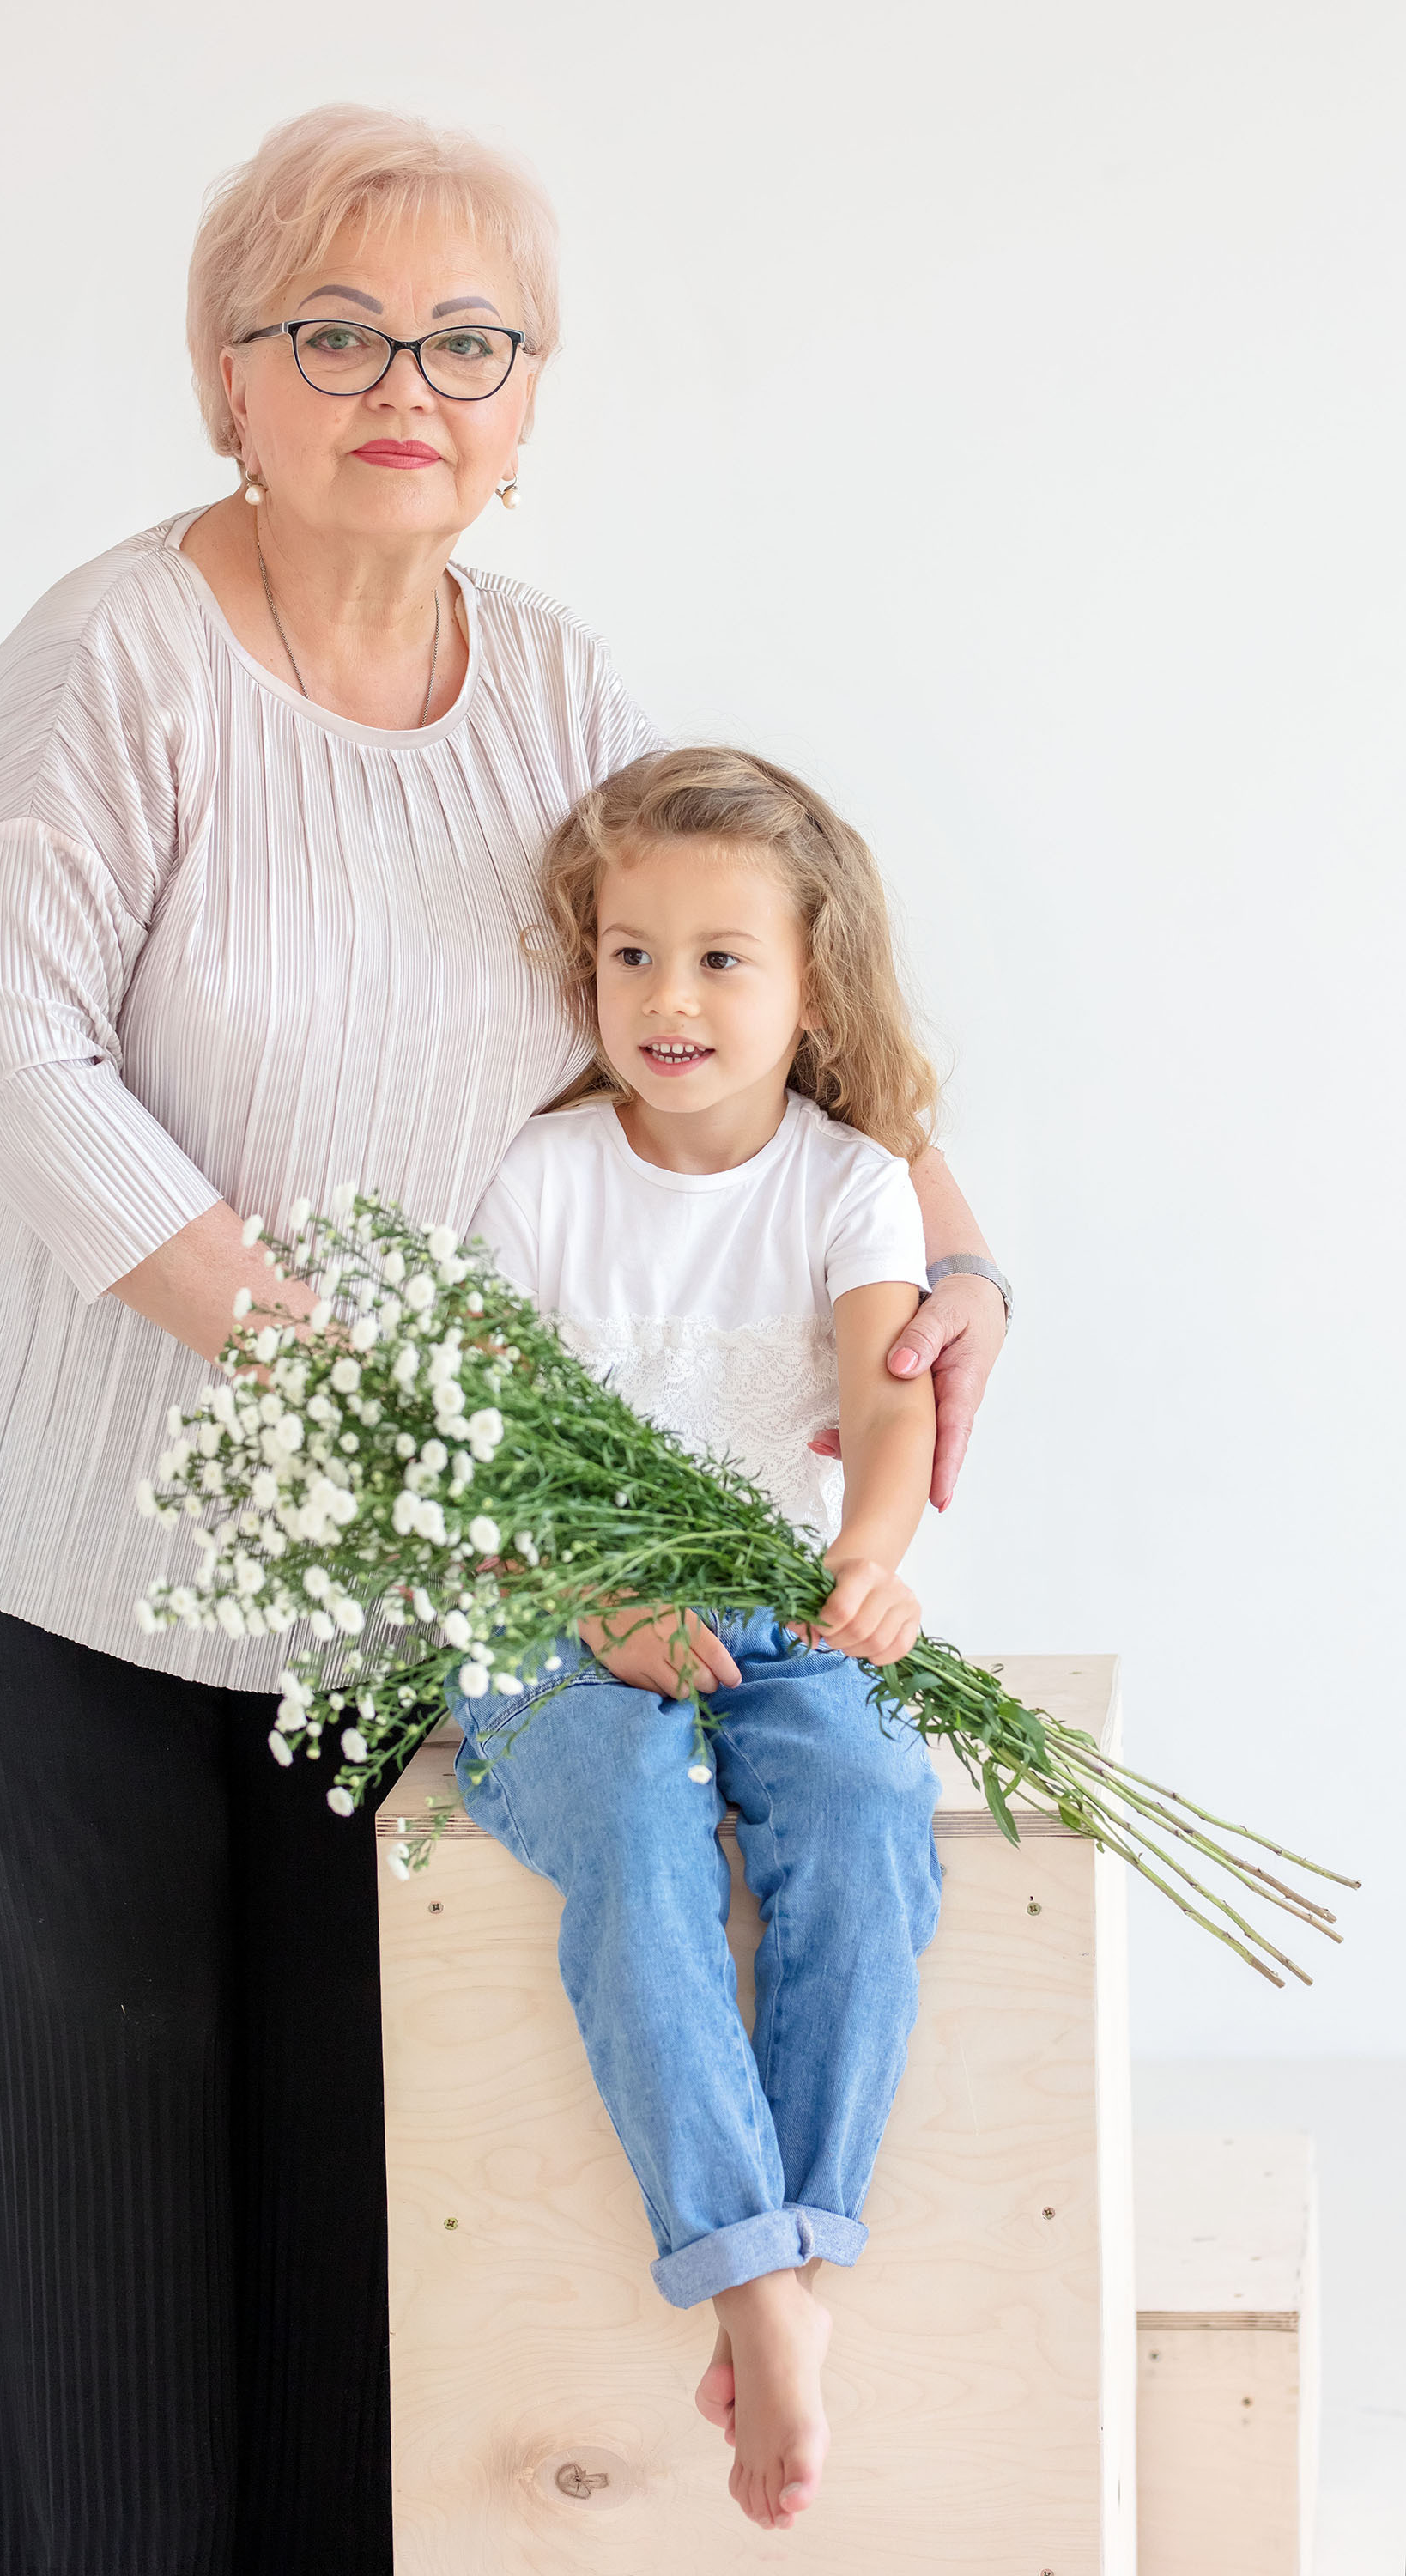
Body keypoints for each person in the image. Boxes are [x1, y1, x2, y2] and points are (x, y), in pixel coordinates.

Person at [0, 104, 1008, 2576]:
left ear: (531, 397)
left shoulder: (554, 683)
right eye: (335, 330)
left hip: (390, 1566)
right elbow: (11, 1061)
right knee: (97, 2177)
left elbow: (748, 996)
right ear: (222, 378)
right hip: (52, 1517)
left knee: (362, 2186)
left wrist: (952, 1253)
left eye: (469, 340)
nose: (408, 380)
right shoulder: (112, 663)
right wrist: (308, 1358)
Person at [458, 744, 947, 2534]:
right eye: (631, 955)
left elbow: (888, 1412)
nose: (669, 997)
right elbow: (501, 1458)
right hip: (549, 1619)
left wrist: (875, 1564)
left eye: (722, 959)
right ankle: (760, 2281)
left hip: (777, 1608)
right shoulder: (540, 1179)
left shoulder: (848, 1184)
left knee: (860, 1810)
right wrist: (598, 1607)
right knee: (634, 1827)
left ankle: (786, 2268)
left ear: (811, 985)